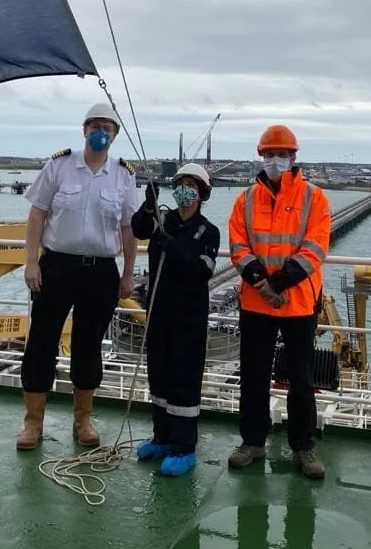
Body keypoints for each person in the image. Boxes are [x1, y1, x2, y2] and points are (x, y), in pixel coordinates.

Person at [15, 102, 142, 451]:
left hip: (100, 270)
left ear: (115, 135)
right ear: (84, 130)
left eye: (108, 127)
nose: (101, 132)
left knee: (88, 346)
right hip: (56, 265)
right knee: (41, 341)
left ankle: (82, 419)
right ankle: (32, 423)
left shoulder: (123, 175)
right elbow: (36, 216)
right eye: (95, 125)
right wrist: (31, 261)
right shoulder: (59, 165)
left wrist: (129, 273)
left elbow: (129, 229)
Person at [226, 124, 331, 479]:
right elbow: (238, 247)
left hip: (299, 302)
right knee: (253, 376)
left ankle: (303, 447)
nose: (275, 160)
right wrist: (263, 284)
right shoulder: (245, 200)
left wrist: (278, 283)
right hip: (257, 303)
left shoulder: (314, 197)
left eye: (281, 154)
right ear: (261, 157)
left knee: (301, 379)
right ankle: (251, 442)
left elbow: (315, 247)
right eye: (270, 155)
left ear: (293, 157)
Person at [130, 163, 221, 476]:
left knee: (183, 377)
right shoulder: (163, 220)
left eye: (191, 184)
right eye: (180, 183)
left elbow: (202, 270)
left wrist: (174, 247)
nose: (184, 189)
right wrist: (147, 205)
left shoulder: (208, 231)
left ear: (201, 193)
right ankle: (162, 437)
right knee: (159, 373)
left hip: (188, 316)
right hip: (158, 310)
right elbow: (139, 228)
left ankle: (184, 446)